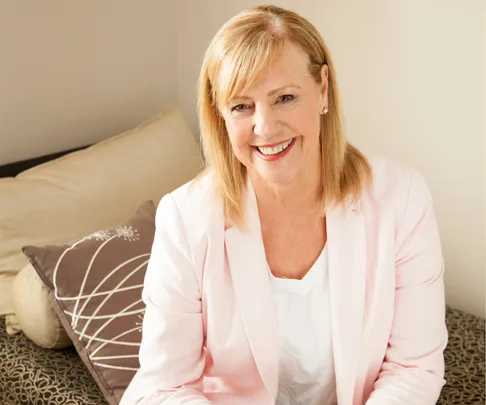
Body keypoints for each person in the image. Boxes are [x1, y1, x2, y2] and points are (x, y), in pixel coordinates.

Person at [120, 5, 447, 405]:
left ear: (323, 89)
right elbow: (165, 387)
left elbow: (413, 368)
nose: (265, 127)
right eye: (241, 106)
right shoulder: (184, 218)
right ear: (220, 114)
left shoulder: (402, 198)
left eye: (285, 98)